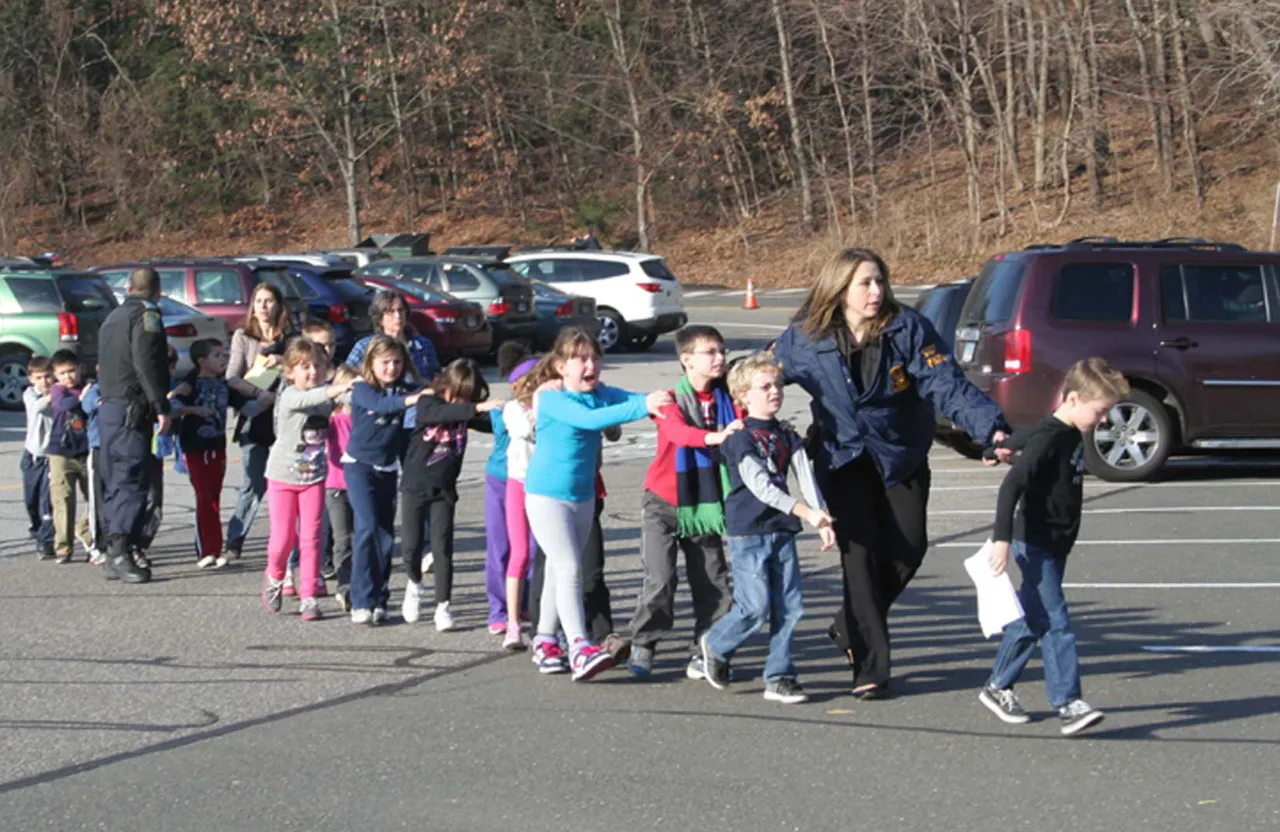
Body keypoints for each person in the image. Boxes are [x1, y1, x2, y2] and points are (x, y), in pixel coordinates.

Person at [771, 247, 1012, 699]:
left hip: (899, 454)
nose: (876, 291)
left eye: (880, 281)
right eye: (865, 283)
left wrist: (991, 430)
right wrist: (721, 407)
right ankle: (869, 668)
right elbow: (761, 375)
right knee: (859, 561)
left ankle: (850, 625)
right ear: (840, 289)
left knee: (909, 549)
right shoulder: (806, 336)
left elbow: (949, 386)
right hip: (840, 458)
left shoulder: (908, 329)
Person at [979, 358, 1128, 736]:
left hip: (1055, 543)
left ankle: (998, 686)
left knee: (1033, 619)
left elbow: (1027, 434)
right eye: (1101, 410)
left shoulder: (1064, 431)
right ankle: (1068, 703)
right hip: (1034, 543)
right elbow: (1011, 486)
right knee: (1057, 622)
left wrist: (999, 447)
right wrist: (1001, 541)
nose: (1105, 420)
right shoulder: (1053, 436)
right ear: (1075, 398)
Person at [524, 327, 671, 681]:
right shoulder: (554, 400)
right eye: (580, 358)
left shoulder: (600, 393)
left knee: (560, 572)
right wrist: (643, 405)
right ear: (561, 366)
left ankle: (545, 640)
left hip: (583, 494)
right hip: (546, 495)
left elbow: (626, 399)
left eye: (595, 358)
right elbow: (592, 420)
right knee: (570, 566)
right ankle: (579, 646)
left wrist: (660, 398)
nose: (590, 365)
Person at [700, 353, 836, 705]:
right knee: (755, 607)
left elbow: (804, 475)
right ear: (743, 396)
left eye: (777, 385)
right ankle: (715, 644)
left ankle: (779, 676)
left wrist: (821, 515)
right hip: (750, 530)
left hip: (782, 529)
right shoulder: (739, 439)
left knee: (790, 607)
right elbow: (759, 485)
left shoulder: (787, 434)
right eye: (764, 387)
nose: (774, 391)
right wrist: (805, 512)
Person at [627, 325, 739, 679]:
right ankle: (644, 642)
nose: (719, 358)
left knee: (713, 580)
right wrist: (716, 436)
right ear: (686, 360)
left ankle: (707, 648)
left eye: (721, 351)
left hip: (705, 504)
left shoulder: (730, 398)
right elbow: (676, 433)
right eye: (710, 352)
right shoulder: (668, 400)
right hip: (664, 501)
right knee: (660, 580)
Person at [400, 359, 503, 631]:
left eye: (468, 397)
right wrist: (474, 408)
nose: (462, 401)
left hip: (444, 490)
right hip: (414, 486)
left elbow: (490, 423)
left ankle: (442, 606)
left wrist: (513, 414)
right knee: (411, 547)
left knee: (442, 548)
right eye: (458, 394)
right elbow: (437, 414)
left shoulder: (466, 411)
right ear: (447, 385)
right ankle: (414, 583)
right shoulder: (428, 402)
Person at [261, 339, 351, 621]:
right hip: (282, 476)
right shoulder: (289, 395)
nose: (312, 371)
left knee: (312, 538)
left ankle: (309, 595)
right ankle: (275, 576)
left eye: (317, 366)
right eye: (304, 367)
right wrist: (336, 388)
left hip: (314, 477)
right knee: (283, 538)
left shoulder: (325, 395)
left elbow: (349, 401)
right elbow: (309, 399)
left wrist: (365, 389)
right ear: (290, 371)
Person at [96, 267, 171, 583]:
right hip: (132, 407)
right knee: (132, 478)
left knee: (114, 479)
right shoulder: (146, 316)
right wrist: (161, 406)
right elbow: (146, 362)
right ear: (157, 290)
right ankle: (120, 550)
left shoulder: (112, 317)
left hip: (110, 407)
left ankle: (112, 547)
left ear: (128, 287)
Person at [344, 336, 426, 624]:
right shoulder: (362, 388)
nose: (391, 368)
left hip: (387, 468)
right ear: (371, 364)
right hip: (358, 467)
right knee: (365, 527)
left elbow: (433, 392)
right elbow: (382, 405)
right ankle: (360, 599)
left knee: (384, 535)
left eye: (397, 362)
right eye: (385, 362)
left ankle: (380, 598)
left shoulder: (407, 388)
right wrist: (412, 399)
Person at [223, 282, 293, 560]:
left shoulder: (290, 338)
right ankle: (235, 538)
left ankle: (287, 542)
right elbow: (231, 377)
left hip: (283, 419)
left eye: (268, 301)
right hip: (254, 416)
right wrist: (258, 393)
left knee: (286, 483)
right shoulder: (243, 336)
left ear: (278, 305)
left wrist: (282, 364)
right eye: (258, 301)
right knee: (253, 482)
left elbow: (305, 372)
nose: (263, 307)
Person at [170, 338, 251, 568]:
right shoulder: (190, 382)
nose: (223, 359)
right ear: (201, 360)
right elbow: (174, 405)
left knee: (214, 497)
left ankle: (214, 549)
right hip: (194, 447)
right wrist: (192, 409)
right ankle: (206, 549)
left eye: (224, 355)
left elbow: (247, 406)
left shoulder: (224, 384)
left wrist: (268, 398)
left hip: (217, 446)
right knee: (204, 497)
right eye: (217, 356)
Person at [484, 341, 531, 641]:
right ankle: (499, 611)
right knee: (501, 546)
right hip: (502, 480)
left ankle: (525, 602)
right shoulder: (506, 410)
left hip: (534, 483)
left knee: (534, 549)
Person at [501, 350, 545, 650]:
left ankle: (544, 617)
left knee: (546, 553)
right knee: (520, 553)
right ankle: (513, 623)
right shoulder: (512, 409)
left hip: (545, 486)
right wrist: (540, 409)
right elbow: (526, 431)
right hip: (519, 484)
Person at [46, 350, 92, 564]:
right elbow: (63, 405)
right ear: (55, 375)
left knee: (94, 497)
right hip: (61, 453)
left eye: (72, 371)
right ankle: (63, 547)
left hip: (86, 451)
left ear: (80, 368)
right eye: (62, 373)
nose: (68, 377)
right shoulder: (57, 391)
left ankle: (86, 531)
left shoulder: (89, 387)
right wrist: (81, 397)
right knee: (63, 499)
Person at [326, 365, 359, 611]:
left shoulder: (364, 417)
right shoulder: (333, 420)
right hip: (336, 486)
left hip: (361, 484)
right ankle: (344, 586)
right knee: (342, 539)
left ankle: (361, 583)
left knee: (362, 537)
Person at [21, 356, 55, 560]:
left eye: (48, 377)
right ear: (31, 379)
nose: (44, 382)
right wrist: (55, 395)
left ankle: (46, 541)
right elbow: (37, 408)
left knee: (46, 502)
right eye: (39, 377)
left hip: (51, 456)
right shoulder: (30, 395)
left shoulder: (60, 396)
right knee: (31, 500)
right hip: (32, 456)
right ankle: (36, 530)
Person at [79, 372, 106, 565]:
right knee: (98, 498)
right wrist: (99, 400)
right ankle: (98, 546)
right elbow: (87, 405)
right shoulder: (96, 390)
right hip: (99, 448)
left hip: (122, 447)